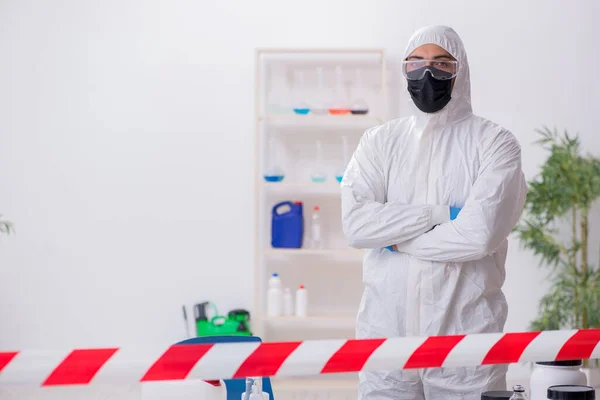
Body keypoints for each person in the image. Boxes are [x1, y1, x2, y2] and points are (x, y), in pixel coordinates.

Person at [341, 25, 527, 400]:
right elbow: (357, 226)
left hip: (466, 345)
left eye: (442, 65)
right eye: (416, 64)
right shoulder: (380, 142)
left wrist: (395, 241)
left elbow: (478, 235)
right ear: (404, 70)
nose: (428, 75)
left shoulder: (494, 143)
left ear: (461, 73)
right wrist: (441, 213)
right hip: (385, 342)